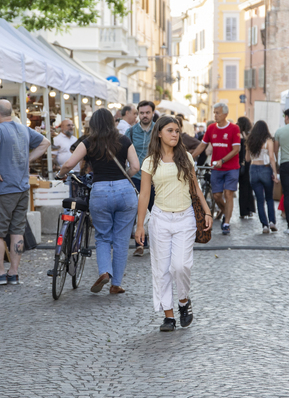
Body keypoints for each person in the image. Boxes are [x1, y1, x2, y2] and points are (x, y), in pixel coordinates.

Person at [135, 116, 212, 332]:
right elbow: (144, 195)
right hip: (160, 218)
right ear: (159, 133)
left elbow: (196, 188)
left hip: (185, 217)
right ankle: (169, 315)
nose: (175, 134)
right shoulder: (150, 161)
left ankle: (183, 301)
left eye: (177, 130)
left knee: (181, 265)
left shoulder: (186, 157)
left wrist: (207, 211)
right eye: (170, 130)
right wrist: (140, 225)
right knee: (162, 269)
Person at [58, 108, 140, 294]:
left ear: (93, 124)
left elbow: (69, 164)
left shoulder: (89, 142)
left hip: (100, 191)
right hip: (125, 192)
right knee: (120, 240)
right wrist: (122, 178)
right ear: (112, 122)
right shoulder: (124, 140)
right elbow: (135, 166)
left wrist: (60, 174)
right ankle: (116, 284)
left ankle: (104, 272)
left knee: (103, 236)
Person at [0, 100, 49, 286]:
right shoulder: (22, 128)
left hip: (3, 188)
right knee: (17, 230)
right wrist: (27, 160)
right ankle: (13, 273)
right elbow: (45, 143)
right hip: (22, 187)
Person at [192, 102, 240, 235]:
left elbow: (236, 149)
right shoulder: (211, 128)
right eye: (214, 112)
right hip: (216, 168)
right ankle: (225, 211)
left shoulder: (234, 129)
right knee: (216, 196)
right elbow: (202, 145)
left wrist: (222, 160)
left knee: (228, 194)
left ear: (225, 114)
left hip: (231, 168)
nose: (215, 115)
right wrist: (191, 156)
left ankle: (226, 223)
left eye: (217, 113)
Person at [128, 100, 157, 257]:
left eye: (147, 112)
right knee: (139, 212)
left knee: (155, 211)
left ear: (153, 113)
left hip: (156, 177)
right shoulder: (131, 132)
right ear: (137, 114)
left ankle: (157, 244)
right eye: (142, 113)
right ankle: (140, 245)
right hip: (137, 177)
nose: (144, 115)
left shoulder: (159, 130)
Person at [245, 120, 278, 233]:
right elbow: (272, 158)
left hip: (253, 170)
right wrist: (275, 173)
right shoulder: (268, 141)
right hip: (265, 169)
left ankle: (264, 225)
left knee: (259, 199)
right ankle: (272, 222)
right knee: (269, 198)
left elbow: (247, 159)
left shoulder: (250, 141)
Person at [236, 116, 256, 221]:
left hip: (240, 163)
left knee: (243, 188)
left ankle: (244, 211)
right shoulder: (249, 135)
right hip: (248, 163)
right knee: (248, 187)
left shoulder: (239, 135)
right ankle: (249, 209)